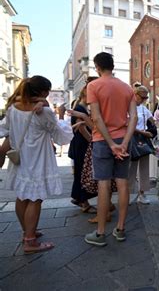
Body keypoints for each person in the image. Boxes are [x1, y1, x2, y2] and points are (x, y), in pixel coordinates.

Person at [0, 76, 73, 254]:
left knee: (22, 196)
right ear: (42, 92)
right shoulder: (43, 111)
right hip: (38, 160)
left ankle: (27, 232)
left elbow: (4, 129)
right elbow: (60, 135)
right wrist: (61, 116)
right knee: (35, 198)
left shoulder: (12, 108)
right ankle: (30, 242)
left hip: (20, 160)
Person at [84, 52, 137, 247]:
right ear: (112, 66)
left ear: (97, 67)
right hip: (123, 139)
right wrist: (123, 142)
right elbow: (134, 118)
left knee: (103, 185)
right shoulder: (127, 88)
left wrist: (111, 143)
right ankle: (121, 229)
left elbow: (96, 118)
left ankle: (100, 233)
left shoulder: (93, 86)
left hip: (102, 140)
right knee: (123, 183)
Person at [69, 77, 98, 213]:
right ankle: (84, 202)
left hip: (79, 144)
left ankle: (78, 197)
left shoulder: (81, 107)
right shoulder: (80, 109)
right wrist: (94, 141)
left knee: (80, 172)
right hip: (81, 145)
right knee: (82, 172)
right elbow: (82, 130)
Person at [129, 85, 155, 204]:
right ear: (135, 95)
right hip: (132, 138)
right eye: (142, 97)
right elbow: (126, 125)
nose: (144, 100)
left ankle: (142, 193)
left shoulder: (144, 109)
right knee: (131, 168)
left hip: (143, 139)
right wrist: (143, 132)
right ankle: (127, 194)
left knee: (144, 168)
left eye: (146, 97)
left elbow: (153, 120)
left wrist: (152, 129)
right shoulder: (128, 107)